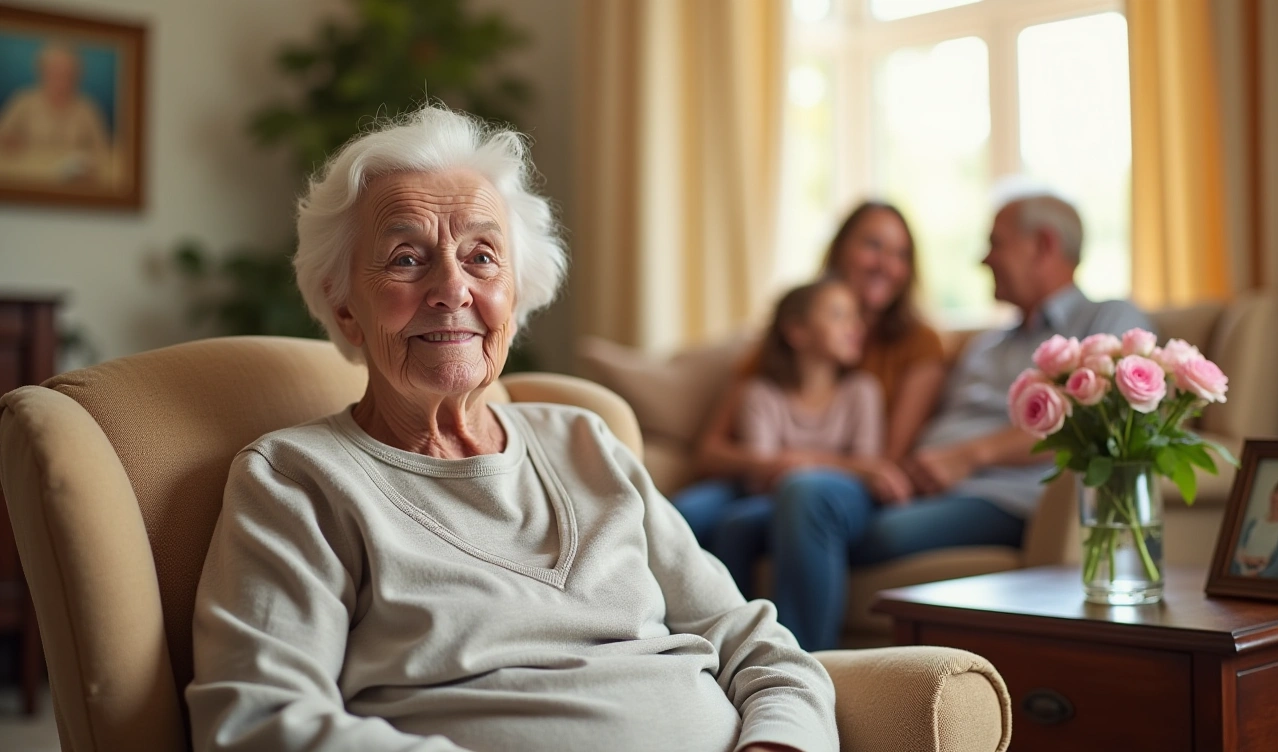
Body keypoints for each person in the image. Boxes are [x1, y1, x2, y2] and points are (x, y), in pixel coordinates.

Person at [185, 105, 837, 752]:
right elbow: (259, 720)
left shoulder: (586, 444)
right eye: (406, 259)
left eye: (482, 256)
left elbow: (758, 647)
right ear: (344, 306)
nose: (452, 289)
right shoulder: (297, 480)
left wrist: (777, 744)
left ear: (516, 296)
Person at [771, 193, 1153, 651]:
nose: (984, 259)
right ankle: (758, 669)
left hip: (998, 495)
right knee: (800, 496)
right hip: (918, 484)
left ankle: (801, 677)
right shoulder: (986, 345)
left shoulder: (1109, 318)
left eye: (996, 243)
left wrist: (969, 457)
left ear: (1043, 245)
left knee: (863, 528)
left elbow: (1104, 420)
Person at [674, 202, 945, 546]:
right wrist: (775, 465)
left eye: (901, 254)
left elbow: (880, 466)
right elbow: (710, 452)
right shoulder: (784, 347)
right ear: (839, 249)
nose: (887, 265)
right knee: (681, 516)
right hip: (761, 481)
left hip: (837, 489)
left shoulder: (916, 346)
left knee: (772, 509)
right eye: (873, 245)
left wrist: (797, 463)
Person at [707, 278, 887, 597]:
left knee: (748, 518)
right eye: (839, 315)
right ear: (797, 331)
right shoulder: (761, 393)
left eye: (855, 316)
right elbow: (765, 476)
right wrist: (830, 464)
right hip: (771, 497)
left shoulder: (862, 391)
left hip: (839, 500)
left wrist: (798, 461)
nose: (856, 326)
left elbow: (866, 467)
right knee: (734, 524)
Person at [0, 42, 112, 182]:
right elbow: (3, 138)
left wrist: (90, 165)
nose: (61, 78)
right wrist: (10, 143)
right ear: (41, 71)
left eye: (67, 73)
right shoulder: (22, 101)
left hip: (71, 184)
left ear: (77, 75)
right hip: (29, 180)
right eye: (54, 71)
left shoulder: (88, 108)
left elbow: (103, 152)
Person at [1231, 475, 1278, 579]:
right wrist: (1250, 560)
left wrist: (1257, 575)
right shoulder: (1252, 524)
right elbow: (1235, 554)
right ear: (1273, 493)